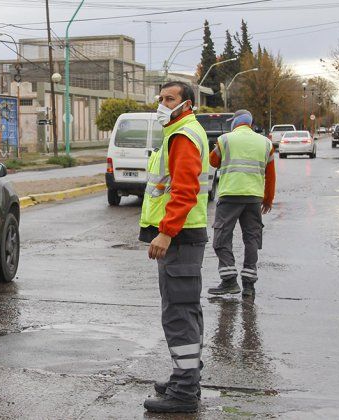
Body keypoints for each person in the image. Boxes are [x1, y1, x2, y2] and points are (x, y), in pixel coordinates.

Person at [140, 81, 210, 414]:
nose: (163, 104)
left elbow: (184, 190)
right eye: (161, 98)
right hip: (187, 234)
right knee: (186, 310)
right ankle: (186, 377)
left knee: (178, 314)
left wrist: (166, 233)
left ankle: (184, 393)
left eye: (170, 99)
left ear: (187, 104)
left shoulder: (183, 136)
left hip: (180, 238)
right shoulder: (182, 131)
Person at [207, 110, 276, 298]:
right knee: (252, 238)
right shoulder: (266, 143)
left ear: (236, 122)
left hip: (230, 195)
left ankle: (229, 280)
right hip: (254, 197)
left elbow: (213, 162)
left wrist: (216, 148)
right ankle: (249, 285)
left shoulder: (225, 140)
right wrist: (268, 199)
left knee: (222, 236)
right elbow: (270, 176)